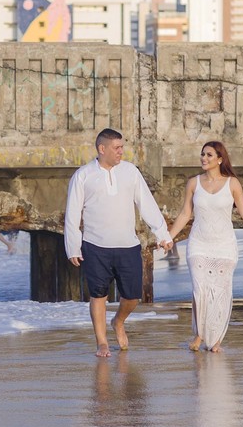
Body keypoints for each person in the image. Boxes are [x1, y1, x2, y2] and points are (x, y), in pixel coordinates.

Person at [65, 128, 174, 358]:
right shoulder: (83, 175)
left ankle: (118, 321)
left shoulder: (130, 171)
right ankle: (102, 343)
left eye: (122, 147)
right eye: (116, 148)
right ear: (101, 148)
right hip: (95, 246)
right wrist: (73, 246)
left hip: (128, 245)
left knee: (133, 297)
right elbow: (72, 215)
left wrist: (162, 234)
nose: (121, 152)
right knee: (98, 295)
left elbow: (147, 204)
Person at [167, 141, 243, 353]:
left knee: (220, 293)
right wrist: (168, 237)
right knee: (200, 291)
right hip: (199, 244)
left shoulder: (232, 183)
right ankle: (199, 334)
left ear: (220, 159)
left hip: (224, 246)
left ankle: (216, 338)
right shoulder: (193, 183)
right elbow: (185, 214)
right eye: (202, 154)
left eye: (209, 155)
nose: (204, 158)